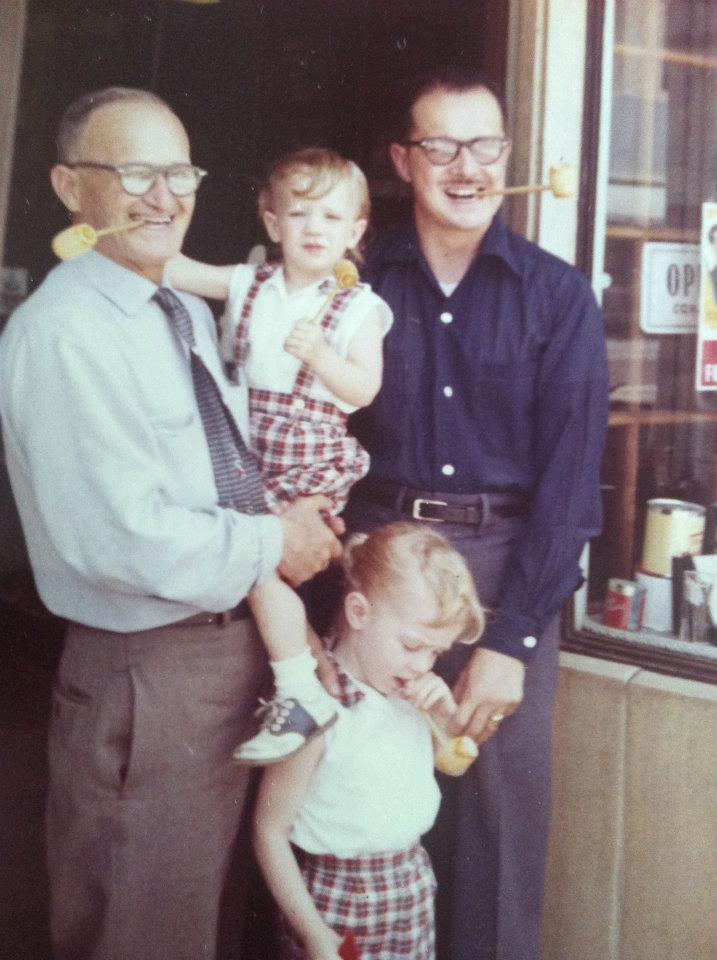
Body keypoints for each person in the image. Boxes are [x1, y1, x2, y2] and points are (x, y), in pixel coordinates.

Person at [0, 87, 342, 960]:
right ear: (71, 188)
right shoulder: (63, 333)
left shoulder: (184, 311)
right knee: (138, 931)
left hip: (231, 658)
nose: (164, 197)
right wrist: (279, 542)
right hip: (145, 678)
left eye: (179, 172)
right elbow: (121, 538)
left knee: (195, 924)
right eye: (134, 173)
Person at [336, 66, 610, 960]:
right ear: (402, 161)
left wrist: (512, 639)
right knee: (351, 805)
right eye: (440, 145)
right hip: (375, 567)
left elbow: (571, 488)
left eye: (484, 145)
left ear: (508, 157)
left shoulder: (557, 296)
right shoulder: (351, 280)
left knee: (497, 833)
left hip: (502, 576)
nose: (466, 167)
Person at [168, 148, 392, 765]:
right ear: (272, 223)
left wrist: (321, 357)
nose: (314, 228)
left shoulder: (358, 308)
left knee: (261, 562)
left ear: (354, 232)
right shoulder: (249, 283)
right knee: (253, 561)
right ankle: (307, 677)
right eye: (298, 213)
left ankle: (300, 688)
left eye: (330, 216)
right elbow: (176, 269)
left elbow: (365, 389)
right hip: (246, 449)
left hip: (306, 454)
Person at [253, 522, 485, 960]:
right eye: (413, 645)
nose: (423, 665)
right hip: (336, 901)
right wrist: (313, 932)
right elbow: (269, 831)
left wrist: (446, 719)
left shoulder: (409, 696)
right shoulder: (316, 708)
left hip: (410, 884)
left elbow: (454, 763)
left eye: (436, 652)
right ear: (359, 612)